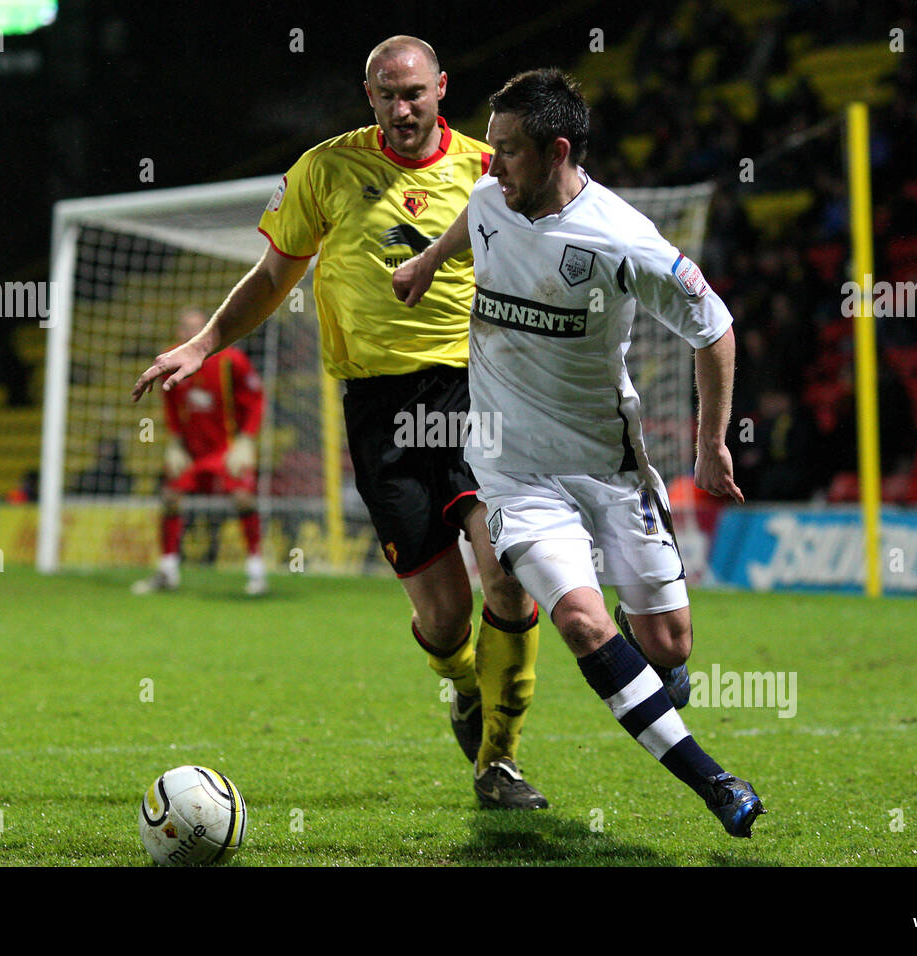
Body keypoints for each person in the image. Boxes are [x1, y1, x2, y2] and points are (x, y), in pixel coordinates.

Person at [132, 37, 547, 809]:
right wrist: (202, 343)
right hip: (379, 411)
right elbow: (269, 277)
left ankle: (501, 760)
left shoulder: (488, 169)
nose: (404, 108)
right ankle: (463, 687)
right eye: (388, 94)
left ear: (442, 88)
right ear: (369, 96)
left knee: (510, 573)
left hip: (477, 393)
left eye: (416, 92)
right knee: (446, 616)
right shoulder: (324, 170)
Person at [393, 69, 765, 836]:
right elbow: (474, 215)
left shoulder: (620, 240)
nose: (491, 165)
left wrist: (710, 445)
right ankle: (716, 783)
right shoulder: (493, 197)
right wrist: (428, 263)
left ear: (558, 150)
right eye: (490, 148)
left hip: (608, 466)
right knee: (581, 622)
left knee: (668, 646)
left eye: (509, 151)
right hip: (512, 471)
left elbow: (716, 330)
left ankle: (655, 656)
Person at [133, 307, 268, 597]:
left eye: (197, 328)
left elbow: (256, 399)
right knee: (170, 497)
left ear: (207, 330)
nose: (190, 333)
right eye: (185, 328)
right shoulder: (170, 359)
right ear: (178, 332)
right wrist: (174, 443)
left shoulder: (232, 360)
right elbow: (169, 404)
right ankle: (167, 571)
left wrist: (245, 441)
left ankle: (257, 573)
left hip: (227, 449)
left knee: (244, 498)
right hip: (192, 452)